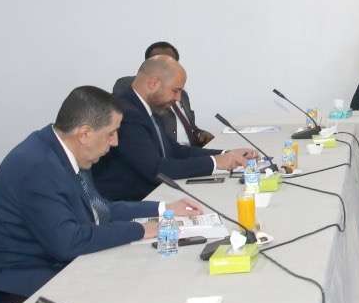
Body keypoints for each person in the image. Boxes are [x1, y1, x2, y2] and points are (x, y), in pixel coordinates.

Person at [0, 86, 202, 303]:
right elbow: (69, 242)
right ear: (84, 133)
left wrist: (162, 209)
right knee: (133, 298)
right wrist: (142, 230)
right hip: (22, 287)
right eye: (111, 133)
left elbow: (99, 210)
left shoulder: (64, 150)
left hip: (54, 267)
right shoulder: (38, 167)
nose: (115, 142)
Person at [94, 56, 253, 202]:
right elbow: (157, 170)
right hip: (133, 203)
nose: (178, 98)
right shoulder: (126, 114)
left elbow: (174, 150)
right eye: (175, 90)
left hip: (157, 193)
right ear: (153, 83)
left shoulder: (147, 106)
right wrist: (215, 162)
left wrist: (225, 155)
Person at [113, 41, 213, 148]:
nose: (178, 97)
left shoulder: (181, 94)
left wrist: (199, 133)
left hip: (194, 149)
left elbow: (189, 126)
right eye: (160, 63)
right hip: (174, 152)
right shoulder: (143, 95)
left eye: (170, 63)